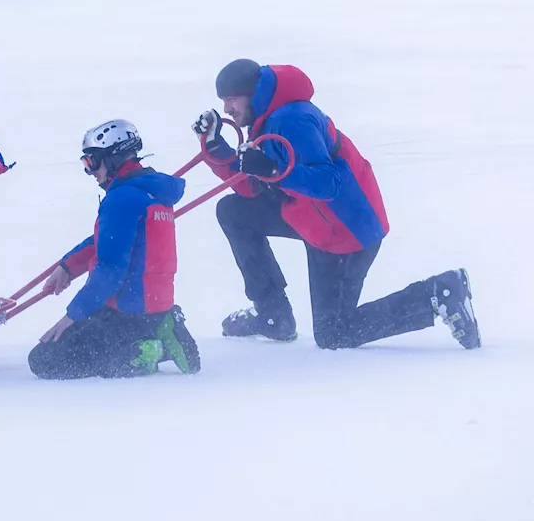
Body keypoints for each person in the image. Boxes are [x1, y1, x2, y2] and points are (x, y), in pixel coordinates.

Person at [193, 59, 479, 350]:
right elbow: (252, 188)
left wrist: (272, 170)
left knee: (335, 334)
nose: (228, 109)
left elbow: (328, 183)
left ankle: (440, 292)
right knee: (234, 211)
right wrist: (217, 148)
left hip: (345, 229)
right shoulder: (265, 119)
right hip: (310, 218)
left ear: (253, 95)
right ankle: (272, 315)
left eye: (232, 100)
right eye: (224, 102)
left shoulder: (292, 119)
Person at [28, 120, 200, 379]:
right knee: (70, 344)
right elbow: (107, 241)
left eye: (93, 162)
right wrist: (67, 267)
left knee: (44, 360)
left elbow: (110, 270)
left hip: (127, 311)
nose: (91, 171)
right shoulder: (150, 191)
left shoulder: (121, 199)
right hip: (152, 305)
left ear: (114, 157)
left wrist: (71, 316)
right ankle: (162, 326)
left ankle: (145, 351)